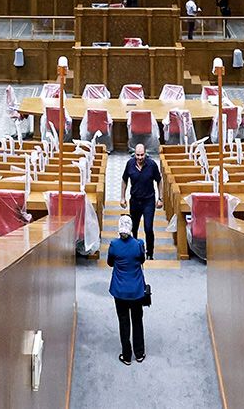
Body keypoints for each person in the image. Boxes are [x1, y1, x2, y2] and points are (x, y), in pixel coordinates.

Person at [106, 214, 148, 365]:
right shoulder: (138, 245)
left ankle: (126, 355)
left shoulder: (114, 245)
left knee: (123, 321)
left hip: (120, 291)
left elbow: (110, 263)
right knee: (137, 320)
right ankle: (139, 352)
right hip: (136, 290)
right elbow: (142, 260)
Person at [121, 144, 162, 260]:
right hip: (134, 200)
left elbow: (159, 181)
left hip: (148, 200)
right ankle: (134, 251)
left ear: (145, 153)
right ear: (135, 154)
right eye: (138, 155)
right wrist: (122, 197)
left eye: (142, 155)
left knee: (148, 228)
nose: (140, 157)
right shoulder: (130, 164)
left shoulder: (152, 165)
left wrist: (160, 198)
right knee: (133, 228)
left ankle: (150, 253)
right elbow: (124, 180)